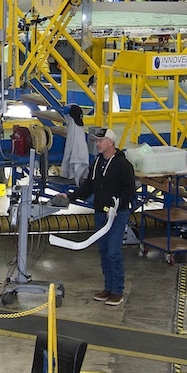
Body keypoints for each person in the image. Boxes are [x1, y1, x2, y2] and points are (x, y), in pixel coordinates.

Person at [58, 128, 136, 307]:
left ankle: (117, 290)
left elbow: (129, 190)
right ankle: (108, 287)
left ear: (110, 142)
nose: (97, 144)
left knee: (113, 251)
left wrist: (117, 206)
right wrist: (69, 196)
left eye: (100, 141)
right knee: (103, 252)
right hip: (101, 213)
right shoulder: (98, 163)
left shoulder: (123, 165)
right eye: (96, 141)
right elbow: (88, 186)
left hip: (117, 214)